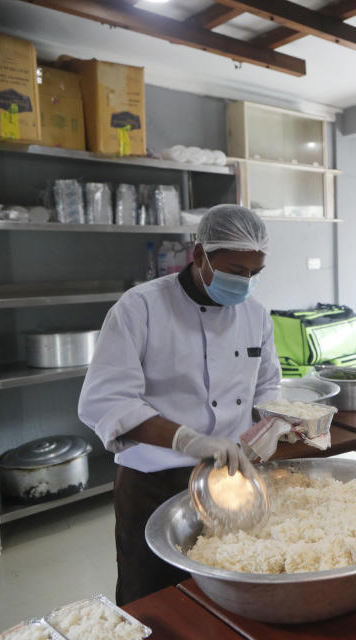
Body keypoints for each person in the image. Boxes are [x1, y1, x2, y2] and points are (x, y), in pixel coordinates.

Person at [79, 205, 282, 605]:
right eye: (235, 271)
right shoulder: (141, 309)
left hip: (229, 479)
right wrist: (189, 440)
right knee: (151, 595)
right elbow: (106, 400)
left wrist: (270, 424)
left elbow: (267, 384)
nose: (244, 283)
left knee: (225, 588)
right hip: (153, 483)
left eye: (253, 274)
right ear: (200, 253)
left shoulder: (255, 315)